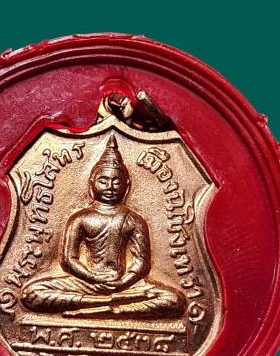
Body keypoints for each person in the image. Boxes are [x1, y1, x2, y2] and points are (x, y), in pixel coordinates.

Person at [21, 134, 185, 318]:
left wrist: (124, 282)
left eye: (116, 181)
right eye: (103, 181)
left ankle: (113, 308)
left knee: (174, 300)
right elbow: (68, 259)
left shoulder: (134, 220)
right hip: (86, 283)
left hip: (125, 285)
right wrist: (93, 278)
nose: (110, 186)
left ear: (127, 185)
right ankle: (104, 304)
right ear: (92, 183)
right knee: (31, 294)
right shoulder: (80, 218)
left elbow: (141, 262)